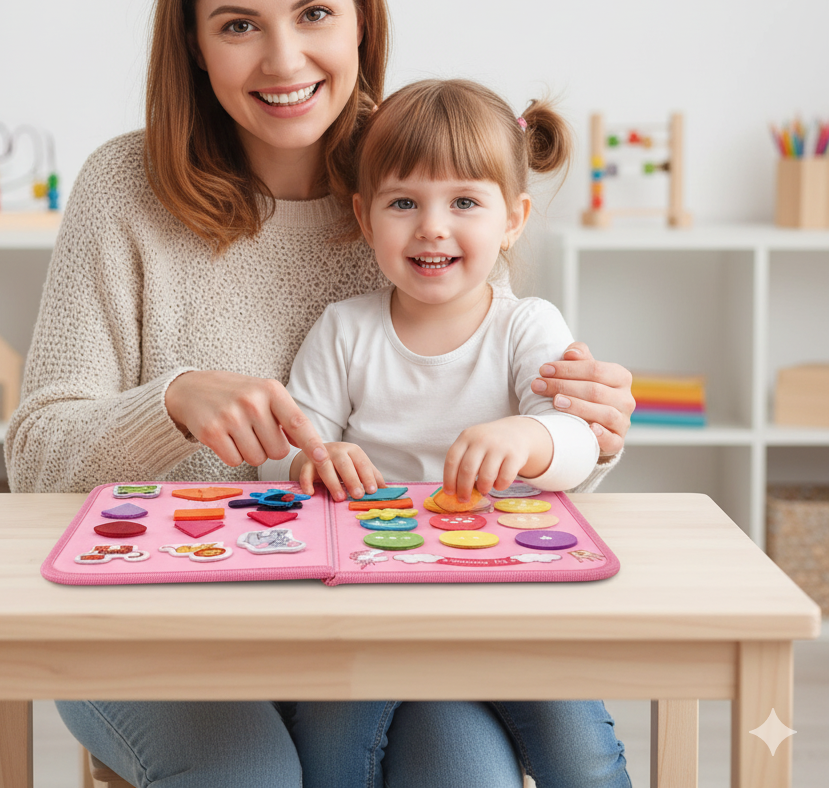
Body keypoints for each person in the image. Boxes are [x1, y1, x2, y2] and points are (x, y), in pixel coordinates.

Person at [5, 0, 635, 788]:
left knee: (470, 775)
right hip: (158, 616)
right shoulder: (124, 189)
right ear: (193, 44)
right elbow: (35, 461)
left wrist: (590, 427)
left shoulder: (418, 173)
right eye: (238, 26)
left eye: (314, 14)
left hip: (379, 611)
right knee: (251, 776)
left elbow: (498, 403)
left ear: (361, 19)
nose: (283, 60)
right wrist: (170, 404)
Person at [260, 78, 630, 787]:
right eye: (404, 203)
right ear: (365, 217)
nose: (432, 227)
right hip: (369, 601)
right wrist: (316, 461)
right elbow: (282, 458)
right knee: (331, 755)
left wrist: (529, 437)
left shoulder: (528, 325)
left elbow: (582, 442)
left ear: (513, 219)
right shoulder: (344, 330)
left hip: (508, 599)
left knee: (581, 755)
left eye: (464, 202)